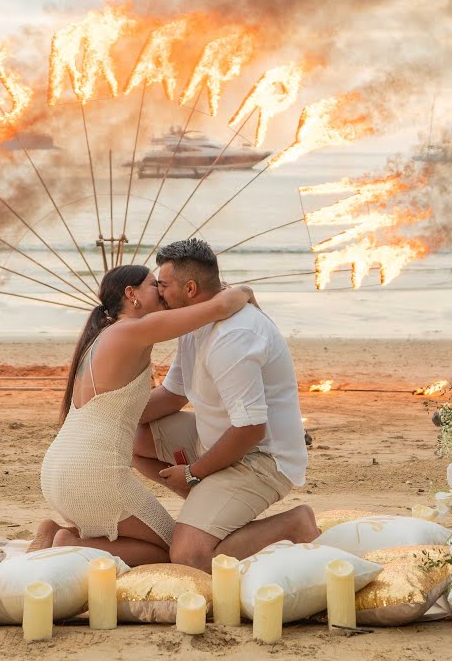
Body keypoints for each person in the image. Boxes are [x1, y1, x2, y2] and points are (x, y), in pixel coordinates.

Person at [31, 264, 256, 566]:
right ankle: (71, 542)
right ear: (131, 294)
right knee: (170, 553)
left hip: (59, 471)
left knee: (149, 543)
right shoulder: (132, 330)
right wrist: (244, 292)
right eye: (155, 285)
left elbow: (163, 400)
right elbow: (217, 308)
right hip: (93, 475)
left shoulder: (106, 337)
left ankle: (58, 532)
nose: (162, 291)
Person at [132, 238, 317, 570]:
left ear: (190, 288)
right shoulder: (194, 320)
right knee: (130, 438)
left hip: (260, 458)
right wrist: (106, 416)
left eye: (163, 285)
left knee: (189, 556)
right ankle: (211, 507)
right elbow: (175, 394)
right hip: (215, 440)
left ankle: (294, 525)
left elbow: (250, 429)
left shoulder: (232, 337)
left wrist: (191, 474)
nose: (158, 292)